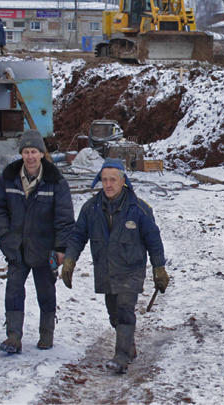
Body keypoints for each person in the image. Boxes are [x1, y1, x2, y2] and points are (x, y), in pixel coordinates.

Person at [60, 158, 168, 373]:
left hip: (131, 269)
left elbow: (153, 241)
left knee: (125, 309)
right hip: (106, 270)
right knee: (114, 315)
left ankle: (121, 358)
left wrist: (159, 269)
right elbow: (78, 236)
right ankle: (128, 346)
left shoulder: (139, 209)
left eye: (113, 180)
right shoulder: (90, 208)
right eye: (104, 180)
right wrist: (70, 261)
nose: (108, 185)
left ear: (123, 181)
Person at [0, 129, 74, 354]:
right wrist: (5, 235)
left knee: (46, 291)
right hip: (16, 247)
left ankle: (46, 334)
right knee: (14, 290)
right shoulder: (8, 178)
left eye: (34, 151)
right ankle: (13, 337)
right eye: (26, 152)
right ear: (21, 154)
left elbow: (65, 219)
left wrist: (60, 248)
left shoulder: (55, 181)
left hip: (44, 248)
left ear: (41, 154)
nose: (30, 156)